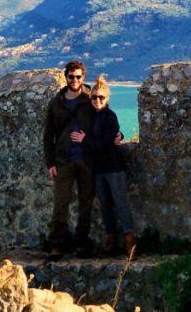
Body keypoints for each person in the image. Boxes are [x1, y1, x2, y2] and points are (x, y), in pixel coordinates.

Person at [43, 59, 95, 259]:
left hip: (86, 159)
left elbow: (105, 119)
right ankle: (57, 244)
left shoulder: (91, 99)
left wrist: (119, 136)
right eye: (71, 76)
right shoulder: (56, 103)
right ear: (65, 77)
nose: (75, 80)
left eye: (78, 76)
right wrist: (51, 163)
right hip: (63, 160)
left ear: (84, 77)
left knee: (86, 203)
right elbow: (48, 135)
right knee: (60, 204)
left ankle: (81, 243)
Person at [83, 75, 136, 257]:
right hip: (98, 169)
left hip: (114, 168)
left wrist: (84, 140)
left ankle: (130, 242)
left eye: (101, 97)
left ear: (107, 99)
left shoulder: (111, 117)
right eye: (94, 97)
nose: (97, 101)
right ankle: (111, 240)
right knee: (105, 205)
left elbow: (104, 144)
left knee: (120, 203)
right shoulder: (90, 116)